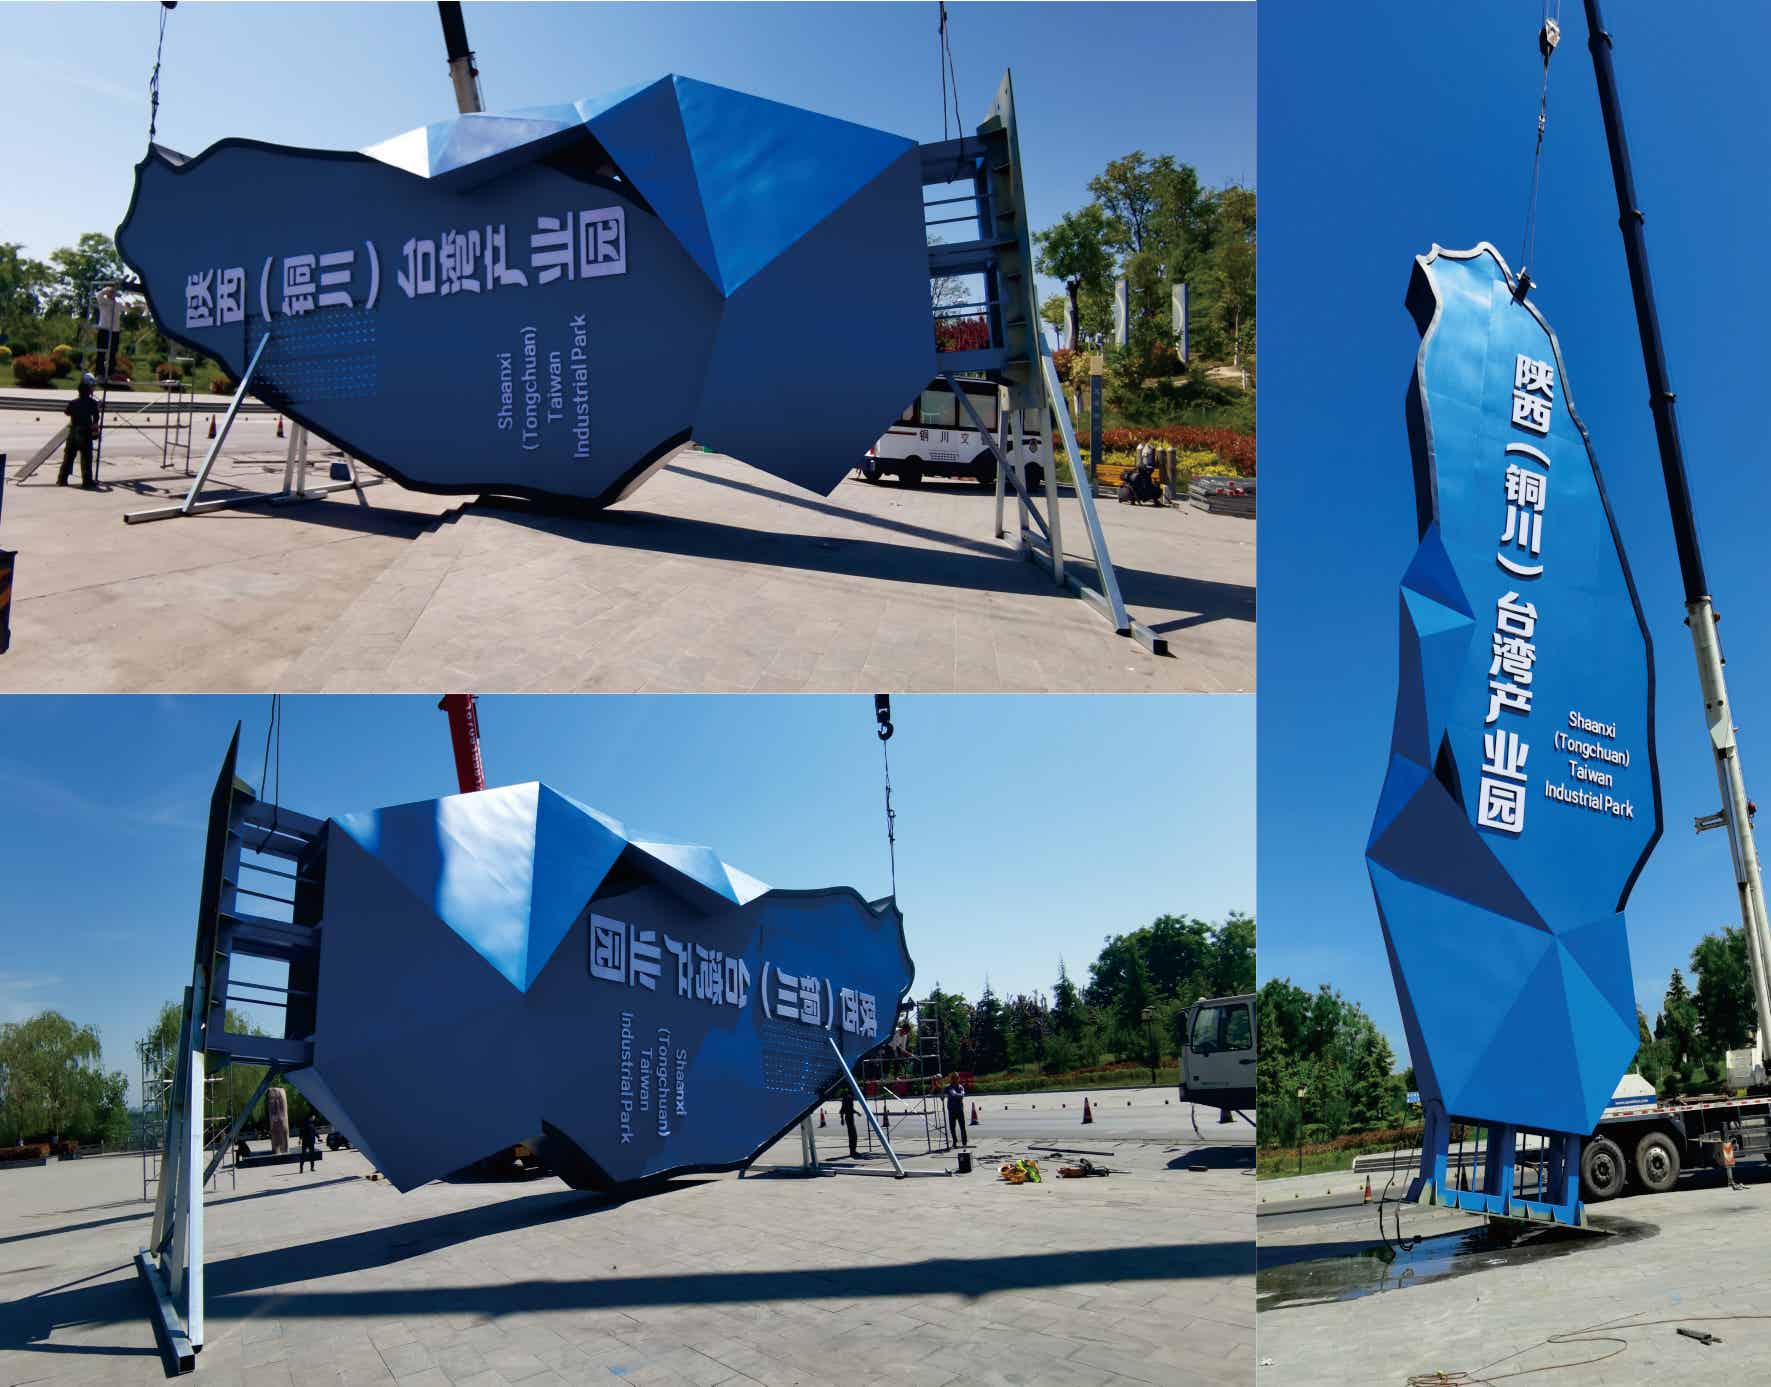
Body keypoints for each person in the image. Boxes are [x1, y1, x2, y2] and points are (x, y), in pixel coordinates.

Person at [58, 376, 100, 488]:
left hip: (74, 432)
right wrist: (95, 431)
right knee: (86, 459)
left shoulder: (73, 403)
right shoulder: (92, 403)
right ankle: (87, 482)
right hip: (86, 433)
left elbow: (67, 412)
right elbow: (96, 418)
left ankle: (62, 480)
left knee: (68, 458)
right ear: (89, 391)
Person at [94, 285, 120, 380]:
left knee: (113, 352)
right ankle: (99, 373)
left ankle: (111, 373)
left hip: (115, 331)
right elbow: (98, 295)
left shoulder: (117, 304)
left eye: (113, 293)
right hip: (104, 329)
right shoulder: (103, 301)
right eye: (111, 292)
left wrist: (131, 307)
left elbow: (127, 309)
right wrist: (106, 289)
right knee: (101, 352)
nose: (112, 294)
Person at [944, 1072, 968, 1149]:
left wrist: (956, 1094)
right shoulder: (948, 1087)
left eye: (957, 1078)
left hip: (959, 1109)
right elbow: (942, 1095)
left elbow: (962, 1095)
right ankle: (954, 1141)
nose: (956, 1079)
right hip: (951, 1110)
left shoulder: (960, 1087)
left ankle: (964, 1142)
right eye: (954, 1078)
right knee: (952, 1127)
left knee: (962, 1127)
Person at [838, 1085, 859, 1158]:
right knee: (853, 1135)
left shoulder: (847, 1098)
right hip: (849, 1118)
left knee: (852, 1135)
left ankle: (853, 1151)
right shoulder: (848, 1098)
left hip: (849, 1118)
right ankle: (852, 1151)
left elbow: (846, 1109)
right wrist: (842, 1119)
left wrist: (856, 1112)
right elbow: (844, 1109)